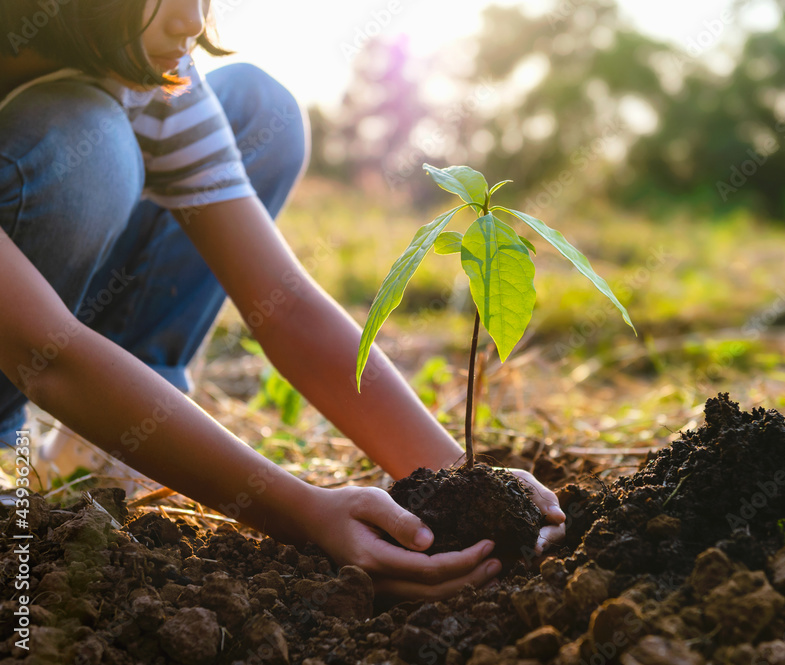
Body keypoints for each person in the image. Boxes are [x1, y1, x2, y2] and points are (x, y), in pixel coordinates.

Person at [0, 0, 565, 600]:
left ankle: (109, 439)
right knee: (89, 147)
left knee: (256, 107)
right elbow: (47, 352)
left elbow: (286, 307)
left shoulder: (153, 74)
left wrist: (460, 479)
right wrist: (303, 512)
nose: (192, 21)